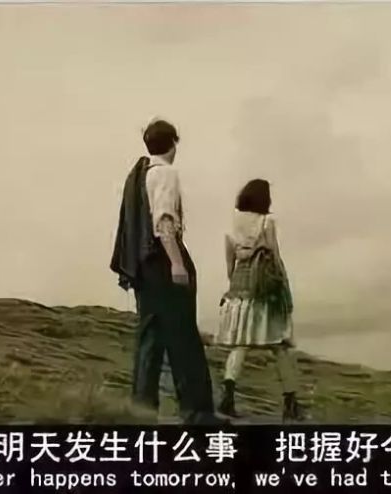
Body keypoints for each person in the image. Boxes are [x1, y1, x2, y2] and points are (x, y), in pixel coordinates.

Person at [110, 118, 225, 425]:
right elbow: (163, 221)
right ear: (173, 143)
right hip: (162, 258)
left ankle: (142, 409)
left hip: (143, 264)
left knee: (151, 335)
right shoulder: (165, 173)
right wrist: (176, 262)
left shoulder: (139, 174)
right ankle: (197, 411)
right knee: (183, 334)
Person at [214, 179, 307, 421]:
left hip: (239, 292)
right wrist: (284, 285)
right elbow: (275, 256)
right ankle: (291, 404)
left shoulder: (231, 226)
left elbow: (230, 266)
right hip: (265, 294)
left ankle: (227, 397)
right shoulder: (266, 223)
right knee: (280, 347)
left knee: (240, 346)